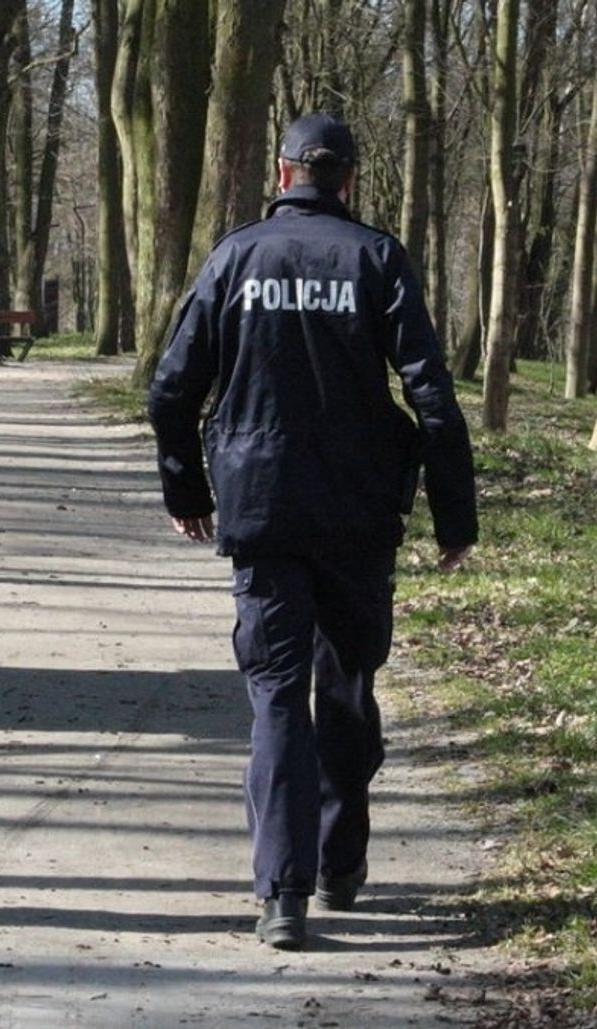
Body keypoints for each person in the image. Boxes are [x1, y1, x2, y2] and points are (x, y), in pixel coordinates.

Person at [147, 113, 477, 951]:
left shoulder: (235, 257)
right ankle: (340, 863)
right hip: (358, 513)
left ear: (284, 172)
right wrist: (453, 515)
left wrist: (187, 487)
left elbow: (171, 390)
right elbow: (431, 396)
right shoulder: (376, 259)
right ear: (350, 180)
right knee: (348, 685)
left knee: (275, 696)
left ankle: (281, 892)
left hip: (261, 510)